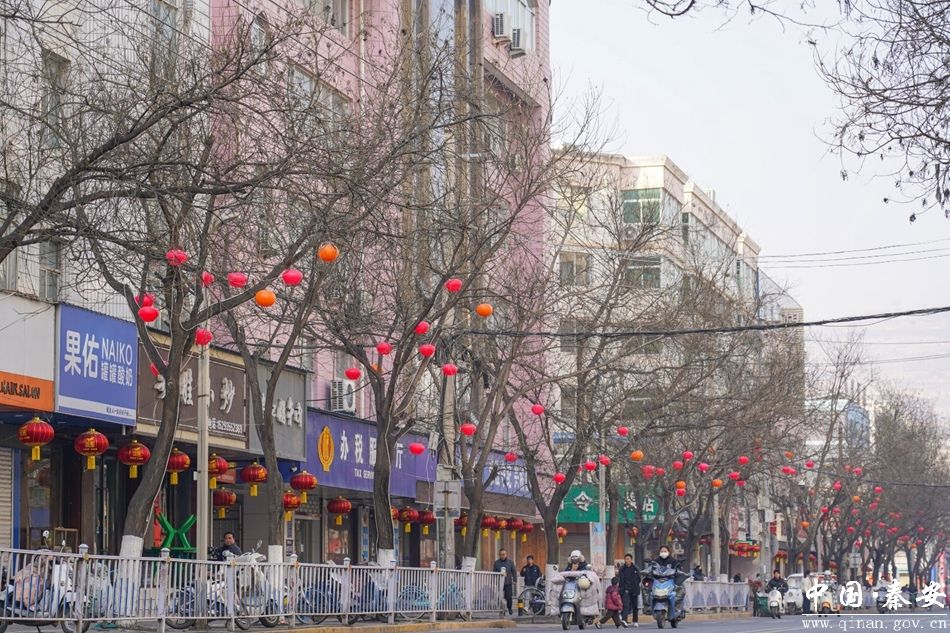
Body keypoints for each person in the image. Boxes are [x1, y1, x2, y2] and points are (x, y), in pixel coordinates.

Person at [617, 554, 640, 627]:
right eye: (626, 559)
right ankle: (624, 620)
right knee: (626, 605)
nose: (627, 560)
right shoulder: (622, 569)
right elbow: (620, 579)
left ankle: (635, 621)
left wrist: (635, 586)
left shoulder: (635, 568)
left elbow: (639, 578)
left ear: (631, 560)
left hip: (634, 589)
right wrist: (621, 589)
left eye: (628, 559)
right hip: (625, 590)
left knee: (635, 606)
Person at [493, 548, 517, 615]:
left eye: (503, 554)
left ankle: (509, 608)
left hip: (508, 582)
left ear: (506, 554)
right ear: (499, 555)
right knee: (500, 597)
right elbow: (494, 572)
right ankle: (501, 610)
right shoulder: (496, 563)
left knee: (508, 597)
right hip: (500, 583)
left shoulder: (510, 562)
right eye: (501, 554)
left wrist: (515, 580)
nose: (502, 556)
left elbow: (514, 571)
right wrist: (494, 581)